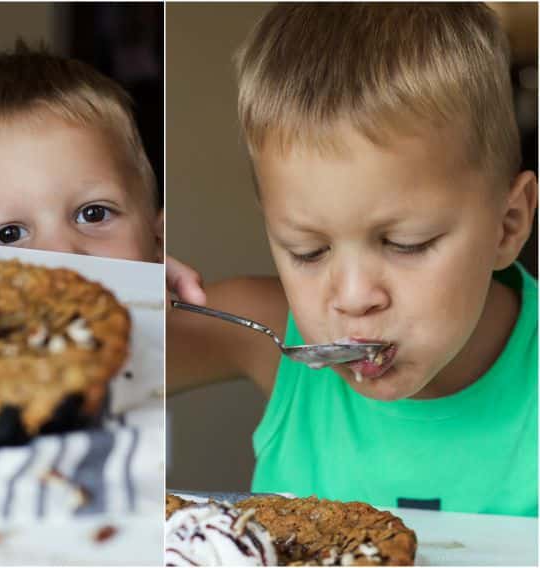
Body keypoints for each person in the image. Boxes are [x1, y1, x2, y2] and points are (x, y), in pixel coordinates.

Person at [168, 3, 538, 516]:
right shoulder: (265, 331)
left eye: (406, 243)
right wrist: (112, 282)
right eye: (308, 251)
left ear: (509, 224)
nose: (353, 297)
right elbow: (67, 361)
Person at [0, 39, 162, 263]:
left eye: (93, 214)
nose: (62, 255)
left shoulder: (188, 309)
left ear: (158, 236)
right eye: (8, 235)